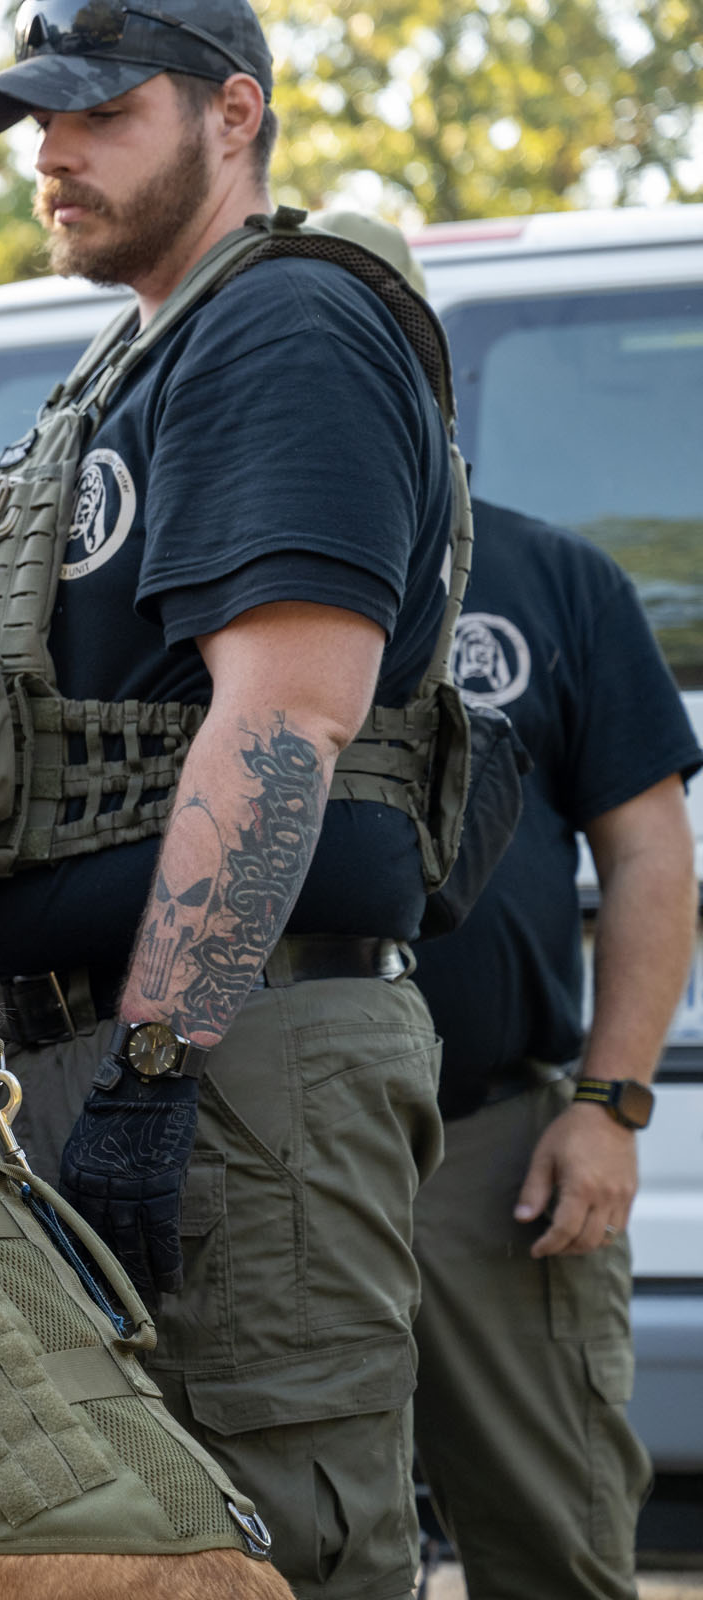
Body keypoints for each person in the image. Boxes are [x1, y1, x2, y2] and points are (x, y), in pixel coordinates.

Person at [0, 3, 461, 1595]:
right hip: (121, 1048)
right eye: (37, 118)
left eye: (100, 109)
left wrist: (158, 1073)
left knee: (274, 1544)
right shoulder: (138, 352)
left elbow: (290, 713)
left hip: (232, 1062)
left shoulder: (283, 328)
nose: (54, 150)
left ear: (236, 114)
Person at [409, 495, 693, 1599]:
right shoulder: (209, 551)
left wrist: (609, 1103)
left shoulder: (552, 576)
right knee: (291, 1545)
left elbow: (649, 851)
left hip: (496, 1152)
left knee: (552, 1549)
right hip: (251, 1141)